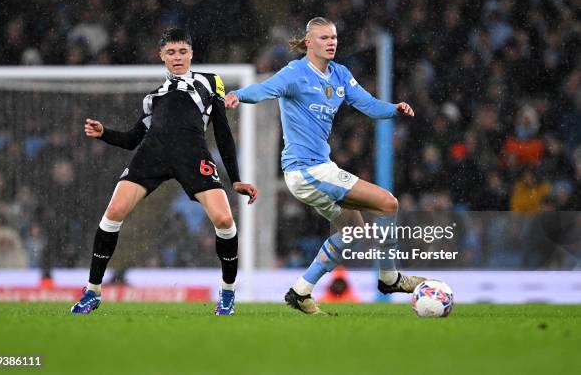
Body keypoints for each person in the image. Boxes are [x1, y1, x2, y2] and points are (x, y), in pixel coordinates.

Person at [225, 17, 425, 314]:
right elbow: (264, 89)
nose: (331, 42)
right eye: (323, 38)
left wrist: (393, 109)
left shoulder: (340, 74)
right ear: (309, 42)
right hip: (306, 171)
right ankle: (389, 277)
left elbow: (367, 103)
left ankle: (300, 291)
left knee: (352, 233)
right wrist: (238, 95)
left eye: (333, 37)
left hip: (320, 168)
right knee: (388, 204)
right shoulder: (295, 73)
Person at [71, 27, 257, 316]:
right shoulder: (153, 97)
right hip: (152, 155)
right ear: (162, 56)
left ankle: (228, 293)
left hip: (192, 155)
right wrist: (104, 133)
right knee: (113, 212)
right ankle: (92, 291)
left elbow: (221, 130)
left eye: (183, 51)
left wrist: (236, 179)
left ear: (191, 53)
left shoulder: (210, 82)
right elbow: (133, 138)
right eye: (171, 52)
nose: (178, 56)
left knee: (223, 218)